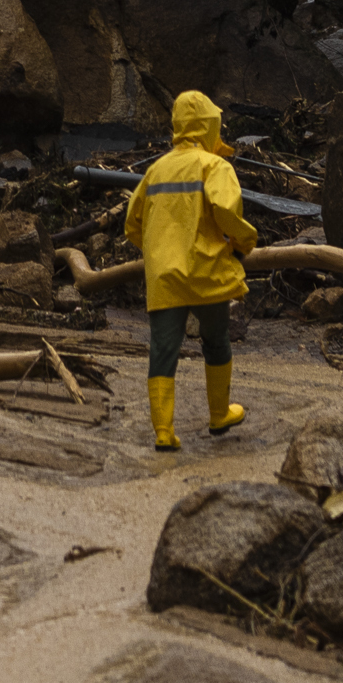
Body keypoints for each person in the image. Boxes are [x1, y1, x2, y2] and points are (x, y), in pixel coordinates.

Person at [121, 89, 258, 451]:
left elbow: (132, 223)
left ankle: (164, 432)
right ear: (209, 126)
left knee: (163, 350)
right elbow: (227, 213)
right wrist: (245, 241)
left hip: (165, 276)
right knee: (216, 342)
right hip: (206, 272)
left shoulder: (156, 169)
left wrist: (157, 251)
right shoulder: (215, 167)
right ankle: (218, 415)